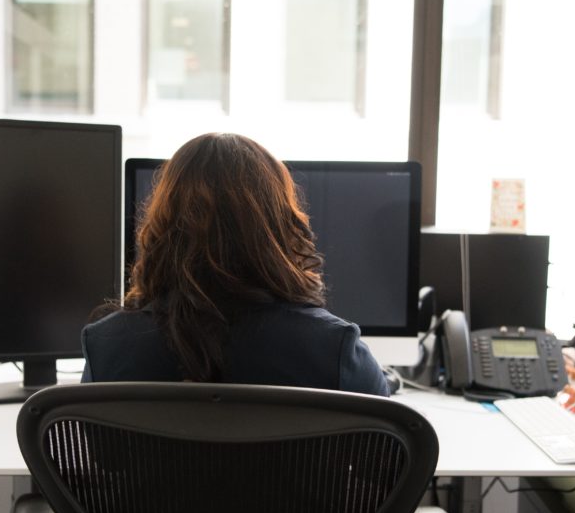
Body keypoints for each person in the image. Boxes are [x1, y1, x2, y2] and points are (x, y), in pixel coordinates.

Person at [81, 132, 388, 397]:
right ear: (279, 227)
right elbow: (389, 455)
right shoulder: (334, 349)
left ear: (163, 225)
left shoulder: (106, 348)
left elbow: (90, 449)